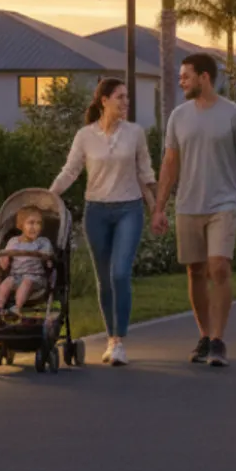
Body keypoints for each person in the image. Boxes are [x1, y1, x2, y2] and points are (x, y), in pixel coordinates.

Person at [152, 52, 236, 367]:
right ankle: (203, 336)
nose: (181, 81)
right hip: (188, 204)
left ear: (204, 77)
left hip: (223, 203)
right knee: (195, 271)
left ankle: (218, 340)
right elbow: (169, 163)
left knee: (219, 267)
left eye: (186, 76)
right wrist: (159, 207)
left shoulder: (235, 115)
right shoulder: (178, 117)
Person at [51, 77, 156, 365]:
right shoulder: (85, 136)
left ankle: (120, 341)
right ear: (104, 101)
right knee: (104, 279)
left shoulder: (135, 133)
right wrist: (48, 196)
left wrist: (156, 209)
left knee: (120, 273)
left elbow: (145, 173)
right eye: (120, 97)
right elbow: (70, 171)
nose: (126, 102)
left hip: (129, 210)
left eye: (127, 97)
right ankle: (111, 339)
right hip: (96, 212)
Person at [0, 206, 54, 320]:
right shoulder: (13, 242)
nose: (35, 227)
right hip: (16, 276)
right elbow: (4, 264)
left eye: (38, 223)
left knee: (27, 281)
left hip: (36, 278)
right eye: (31, 223)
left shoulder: (43, 242)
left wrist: (48, 259)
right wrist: (3, 259)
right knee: (7, 281)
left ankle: (17, 308)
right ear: (21, 225)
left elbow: (49, 261)